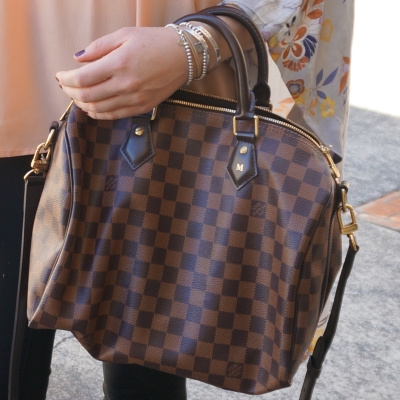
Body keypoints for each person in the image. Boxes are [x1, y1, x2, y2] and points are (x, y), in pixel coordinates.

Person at [0, 0, 353, 399]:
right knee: (8, 347)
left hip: (173, 52)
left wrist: (198, 43)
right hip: (19, 54)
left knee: (151, 353)